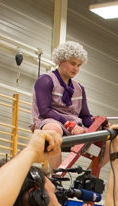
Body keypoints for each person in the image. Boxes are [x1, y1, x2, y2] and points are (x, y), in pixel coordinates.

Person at [31, 41, 94, 169]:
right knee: (54, 129)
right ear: (60, 61)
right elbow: (45, 111)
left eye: (79, 65)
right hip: (49, 122)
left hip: (74, 127)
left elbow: (85, 116)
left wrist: (99, 125)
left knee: (108, 141)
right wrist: (70, 126)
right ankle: (57, 176)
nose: (76, 69)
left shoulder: (79, 88)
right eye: (72, 63)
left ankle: (88, 176)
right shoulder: (45, 80)